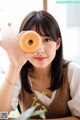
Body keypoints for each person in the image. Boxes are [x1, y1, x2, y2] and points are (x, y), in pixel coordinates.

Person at [0, 10, 80, 120]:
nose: (40, 50)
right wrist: (14, 67)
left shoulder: (72, 72)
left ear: (57, 43)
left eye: (47, 39)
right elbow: (1, 115)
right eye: (32, 41)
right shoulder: (19, 74)